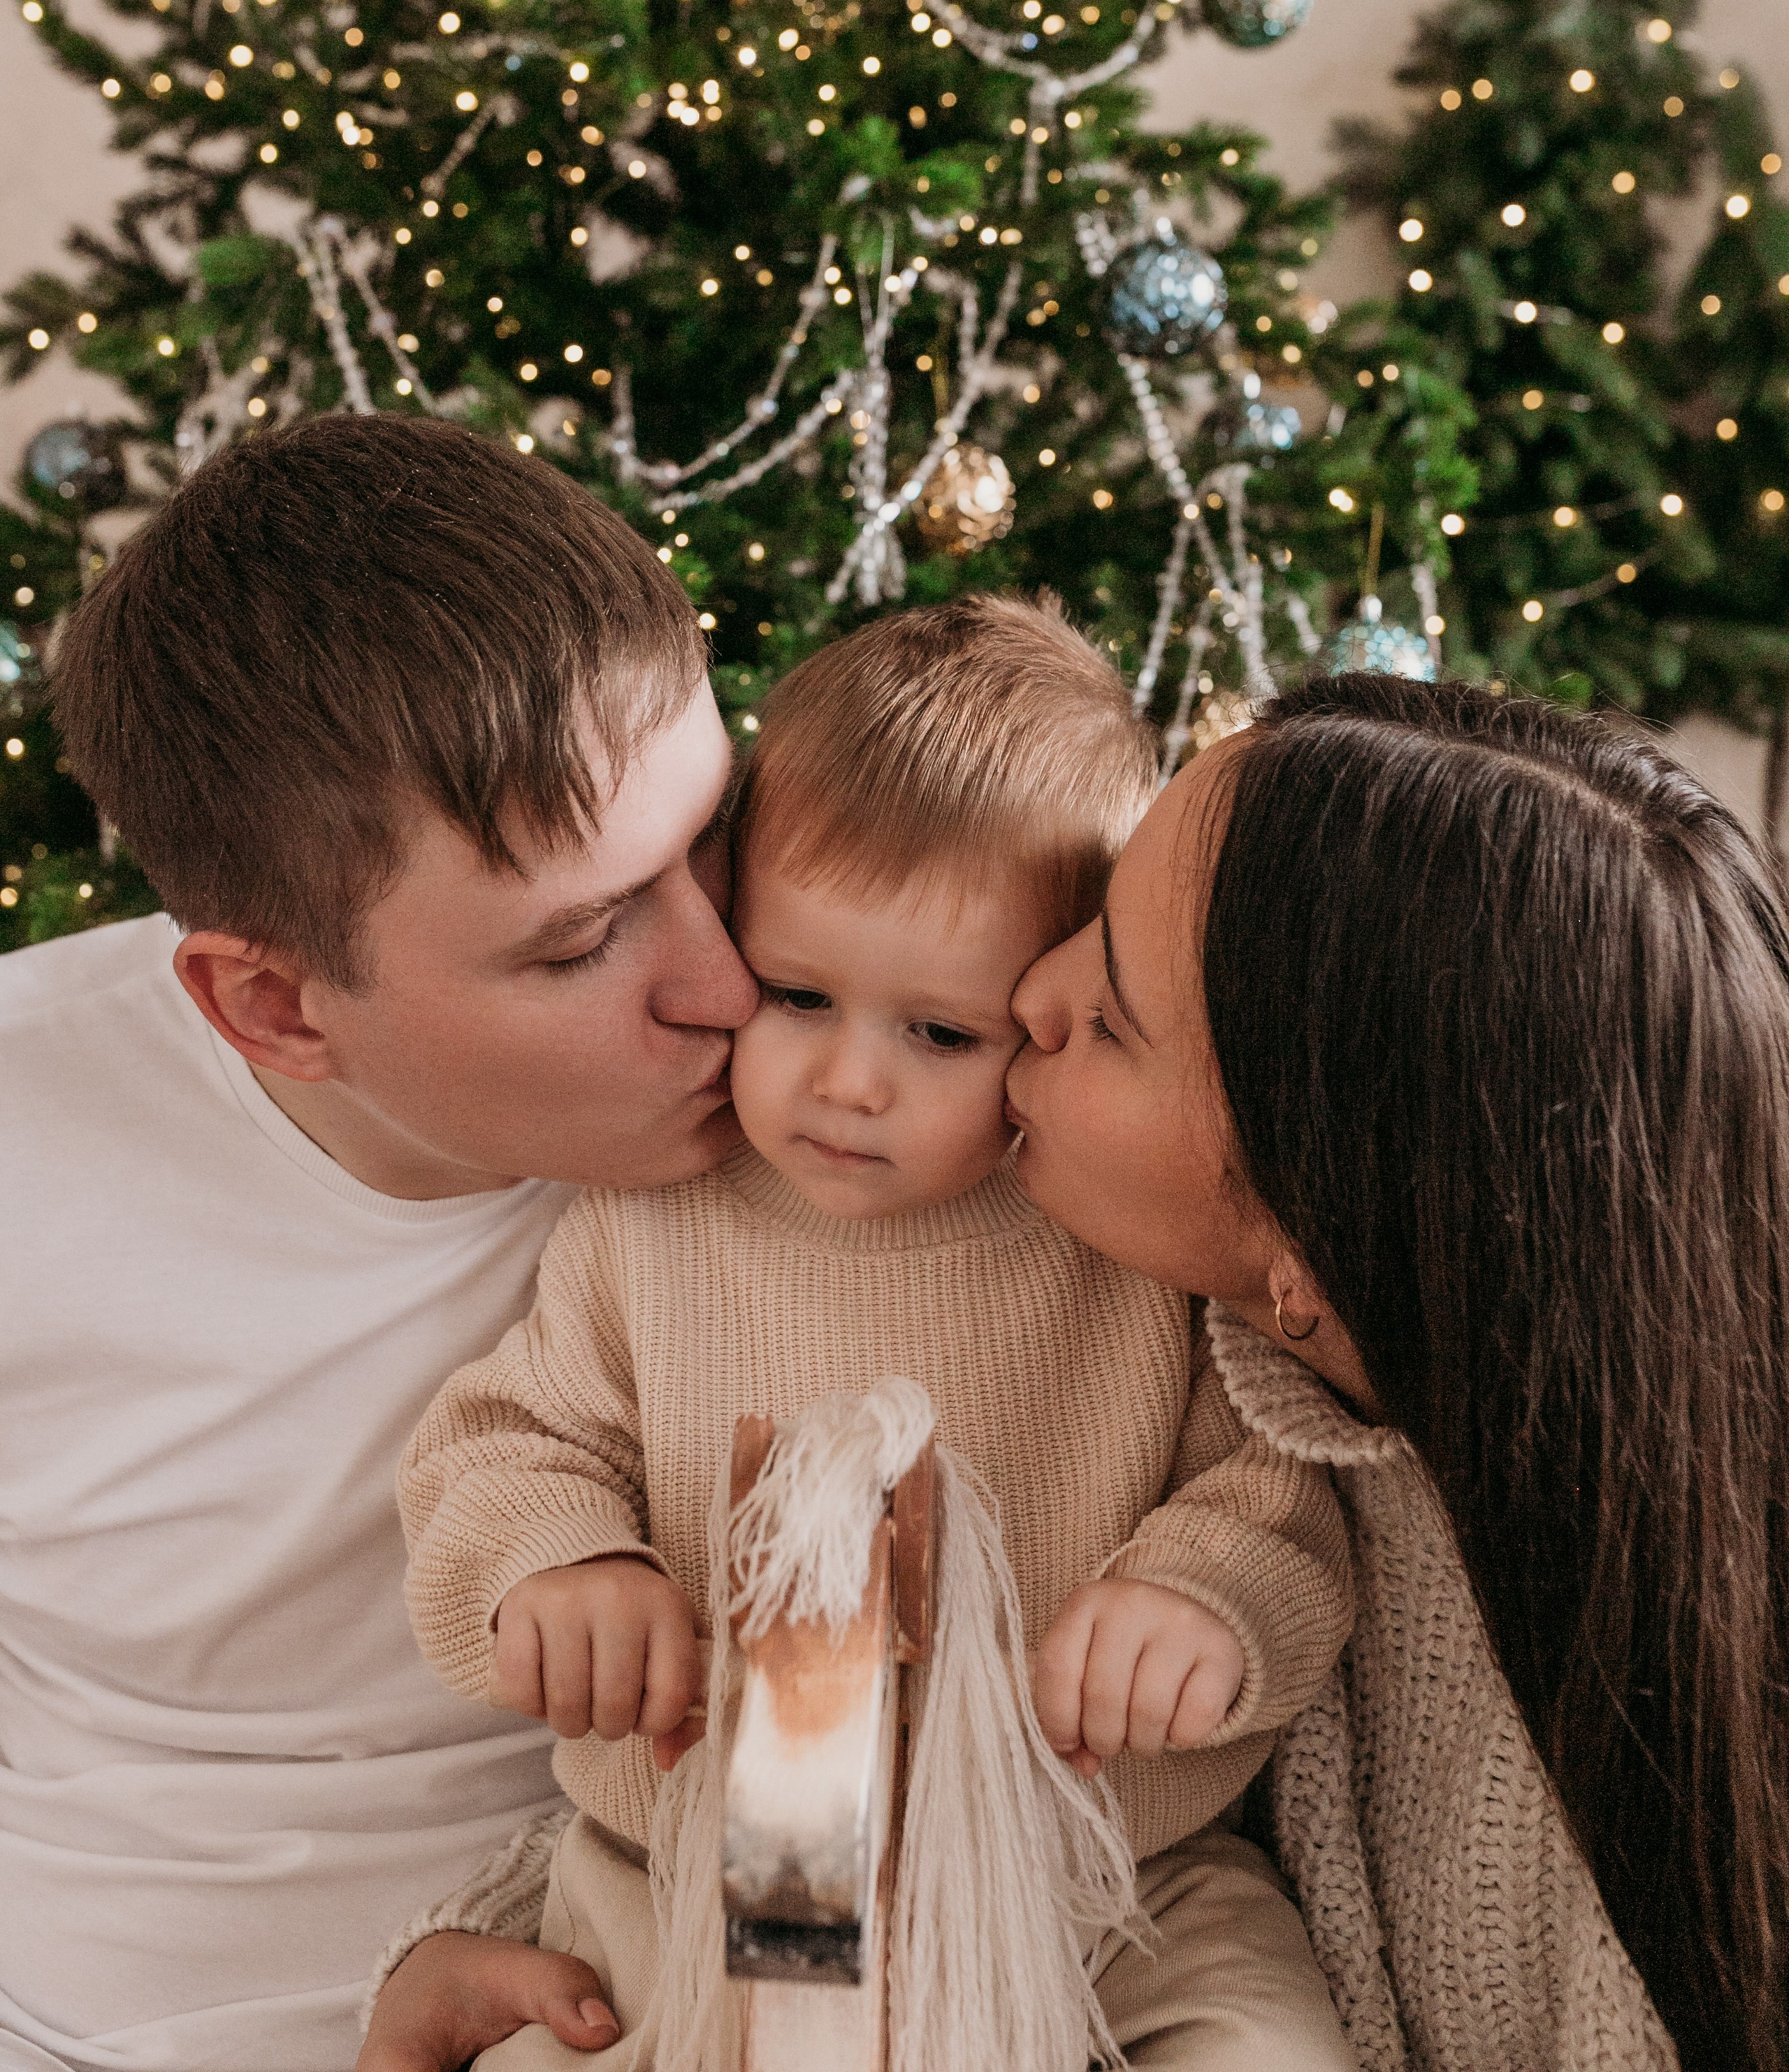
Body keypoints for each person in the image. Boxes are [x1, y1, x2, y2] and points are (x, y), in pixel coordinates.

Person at [393, 600, 1358, 2071]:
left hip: (1104, 1885)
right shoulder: (656, 1217)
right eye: (797, 993)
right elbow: (504, 1439)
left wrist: (1201, 1608)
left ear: (1054, 1009)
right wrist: (558, 1564)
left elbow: (1277, 1490)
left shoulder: (1115, 1240)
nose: (846, 1082)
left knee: (1266, 2046)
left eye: (939, 1034)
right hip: (700, 1887)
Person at [0, 415, 758, 2072]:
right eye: (580, 942)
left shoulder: (849, 1094)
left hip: (637, 1974)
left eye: (714, 838)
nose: (730, 985)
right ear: (272, 1005)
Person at [1007, 673, 1789, 2072]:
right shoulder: (1180, 1339)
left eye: (1112, 1019)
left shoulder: (1634, 1792)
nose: (1026, 993)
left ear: (1314, 1257)